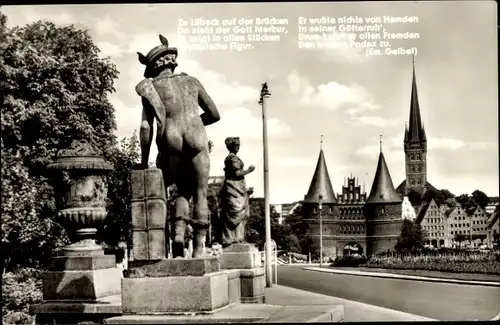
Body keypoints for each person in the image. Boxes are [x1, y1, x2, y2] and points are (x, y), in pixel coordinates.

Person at [136, 35, 220, 258]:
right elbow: (214, 114)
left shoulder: (150, 88)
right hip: (197, 135)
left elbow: (146, 127)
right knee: (199, 192)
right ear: (172, 61)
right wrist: (195, 124)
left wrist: (144, 162)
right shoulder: (192, 81)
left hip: (169, 140)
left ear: (153, 67)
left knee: (172, 192)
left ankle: (177, 241)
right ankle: (200, 249)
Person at [219, 137, 255, 247]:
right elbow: (236, 174)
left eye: (239, 145)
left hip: (238, 189)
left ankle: (239, 238)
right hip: (232, 188)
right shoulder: (232, 158)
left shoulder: (234, 158)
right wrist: (249, 170)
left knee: (242, 213)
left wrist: (247, 191)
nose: (238, 147)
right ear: (231, 146)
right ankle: (230, 238)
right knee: (235, 212)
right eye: (236, 145)